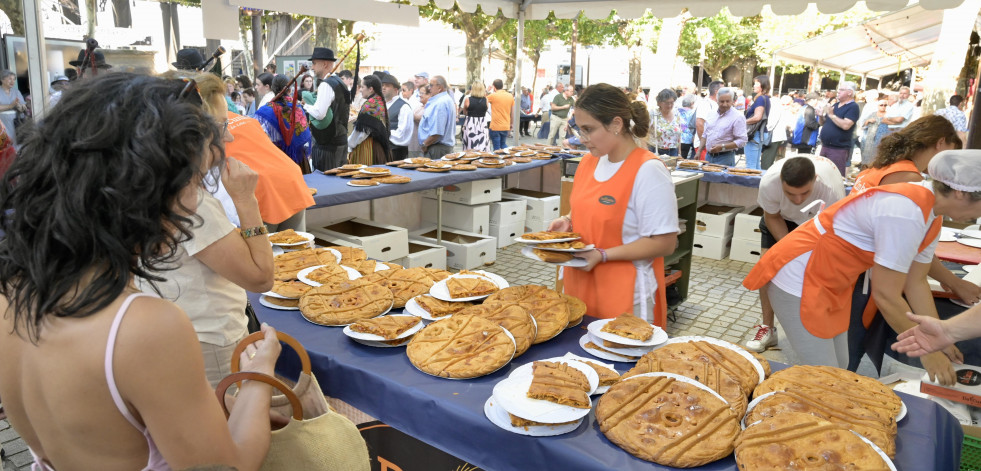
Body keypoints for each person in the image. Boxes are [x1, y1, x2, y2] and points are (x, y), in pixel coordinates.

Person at [0, 72, 280, 470]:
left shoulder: (12, 291)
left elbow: (115, 420)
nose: (192, 202)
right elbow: (229, 466)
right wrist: (258, 376)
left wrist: (225, 407)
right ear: (145, 193)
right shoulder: (146, 327)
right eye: (192, 182)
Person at [742, 150, 981, 385]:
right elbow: (886, 295)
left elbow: (915, 281)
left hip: (831, 280)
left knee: (839, 369)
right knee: (825, 379)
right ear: (960, 193)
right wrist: (927, 351)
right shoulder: (907, 211)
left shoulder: (932, 215)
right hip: (798, 276)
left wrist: (940, 335)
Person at [143, 72, 275, 388]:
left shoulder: (149, 185)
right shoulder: (190, 201)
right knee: (233, 430)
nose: (228, 139)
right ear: (185, 133)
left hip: (178, 335)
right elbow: (261, 277)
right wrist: (246, 201)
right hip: (212, 343)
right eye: (219, 127)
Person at [547, 83, 679, 326]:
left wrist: (603, 255)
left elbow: (665, 242)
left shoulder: (648, 170)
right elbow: (588, 206)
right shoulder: (589, 162)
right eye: (580, 130)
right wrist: (567, 220)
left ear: (616, 124)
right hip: (580, 288)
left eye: (589, 129)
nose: (583, 139)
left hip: (625, 296)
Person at [744, 156, 846, 353]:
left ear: (815, 180)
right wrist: (789, 250)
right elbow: (772, 216)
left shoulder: (831, 189)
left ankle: (817, 327)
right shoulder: (769, 183)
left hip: (817, 221)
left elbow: (833, 229)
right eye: (790, 193)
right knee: (768, 267)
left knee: (819, 272)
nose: (798, 200)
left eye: (805, 193)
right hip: (780, 218)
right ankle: (767, 328)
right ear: (781, 180)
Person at [304, 48, 351, 171]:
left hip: (328, 145)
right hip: (340, 141)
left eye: (314, 63)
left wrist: (306, 106)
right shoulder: (339, 82)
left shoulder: (327, 84)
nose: (312, 68)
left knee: (326, 184)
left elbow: (319, 114)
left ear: (325, 64)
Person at [254, 74, 313, 172]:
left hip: (277, 159)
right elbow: (304, 134)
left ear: (272, 89)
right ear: (289, 90)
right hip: (299, 160)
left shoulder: (265, 111)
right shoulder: (298, 107)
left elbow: (260, 136)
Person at [347, 74, 391, 166]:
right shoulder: (379, 100)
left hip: (367, 148)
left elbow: (362, 133)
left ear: (370, 89)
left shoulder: (370, 104)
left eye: (362, 87)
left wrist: (349, 144)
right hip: (378, 148)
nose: (360, 89)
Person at [818, 81, 860, 176]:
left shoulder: (853, 107)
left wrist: (832, 115)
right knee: (822, 175)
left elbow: (846, 125)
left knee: (834, 177)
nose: (838, 92)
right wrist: (821, 116)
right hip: (825, 146)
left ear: (850, 92)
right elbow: (822, 123)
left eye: (841, 89)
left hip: (838, 149)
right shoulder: (835, 105)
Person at [698, 87, 747, 166]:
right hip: (708, 157)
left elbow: (742, 140)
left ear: (732, 101)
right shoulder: (711, 114)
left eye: (727, 101)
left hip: (725, 157)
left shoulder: (738, 117)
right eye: (722, 101)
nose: (724, 104)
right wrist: (699, 151)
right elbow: (705, 134)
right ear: (717, 100)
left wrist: (722, 147)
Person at [418, 75, 456, 159]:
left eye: (431, 85)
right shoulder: (444, 100)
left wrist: (425, 145)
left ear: (440, 88)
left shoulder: (440, 103)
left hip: (436, 148)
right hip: (437, 147)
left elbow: (437, 132)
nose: (429, 88)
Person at [381, 73, 412, 162]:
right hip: (383, 150)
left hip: (396, 152)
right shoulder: (382, 105)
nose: (383, 88)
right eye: (382, 85)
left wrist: (381, 132)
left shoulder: (404, 107)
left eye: (387, 86)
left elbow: (402, 134)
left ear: (395, 89)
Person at [743, 75, 772, 170]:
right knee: (755, 166)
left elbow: (757, 117)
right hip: (760, 133)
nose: (754, 86)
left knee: (751, 167)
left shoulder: (760, 99)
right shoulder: (765, 98)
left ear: (762, 85)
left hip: (755, 135)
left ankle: (751, 184)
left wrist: (743, 122)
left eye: (756, 83)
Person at [761, 95, 793, 170]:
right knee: (770, 159)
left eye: (787, 104)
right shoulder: (777, 105)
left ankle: (765, 177)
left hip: (773, 137)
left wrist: (765, 130)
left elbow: (771, 124)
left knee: (767, 161)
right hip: (777, 137)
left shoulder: (774, 105)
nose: (785, 106)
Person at [647, 88, 683, 157]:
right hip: (656, 151)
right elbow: (644, 134)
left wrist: (679, 153)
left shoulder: (677, 114)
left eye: (672, 102)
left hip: (673, 151)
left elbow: (679, 136)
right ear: (659, 103)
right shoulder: (653, 114)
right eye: (666, 103)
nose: (669, 105)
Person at [695, 80, 724, 157]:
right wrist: (704, 145)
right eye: (723, 90)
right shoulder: (705, 104)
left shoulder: (716, 104)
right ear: (717, 92)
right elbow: (699, 124)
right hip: (705, 147)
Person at [461, 81, 490, 152]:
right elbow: (486, 110)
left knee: (470, 144)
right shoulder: (485, 100)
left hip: (471, 124)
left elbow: (465, 112)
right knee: (482, 143)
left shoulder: (468, 100)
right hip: (482, 124)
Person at [486, 79, 514, 150]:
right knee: (503, 144)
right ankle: (508, 156)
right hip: (505, 125)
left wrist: (487, 90)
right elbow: (512, 111)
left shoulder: (493, 96)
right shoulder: (510, 96)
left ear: (494, 87)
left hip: (495, 126)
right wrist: (511, 123)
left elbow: (481, 99)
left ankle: (498, 160)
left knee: (497, 148)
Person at [859, 100, 889, 167]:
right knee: (867, 156)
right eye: (881, 105)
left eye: (885, 105)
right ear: (878, 106)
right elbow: (863, 125)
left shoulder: (889, 114)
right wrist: (868, 121)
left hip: (882, 138)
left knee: (878, 155)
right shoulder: (873, 114)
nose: (883, 107)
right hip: (870, 137)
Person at [0, 70, 25, 146]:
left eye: (14, 79)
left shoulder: (16, 91)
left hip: (17, 121)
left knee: (19, 143)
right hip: (3, 122)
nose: (12, 81)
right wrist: (10, 106)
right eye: (10, 78)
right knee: (6, 144)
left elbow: (23, 105)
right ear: (2, 79)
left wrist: (21, 107)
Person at [677, 94, 697, 159]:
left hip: (678, 138)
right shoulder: (693, 112)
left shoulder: (677, 111)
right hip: (688, 139)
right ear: (692, 103)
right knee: (684, 158)